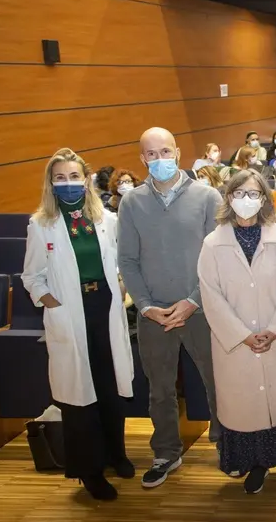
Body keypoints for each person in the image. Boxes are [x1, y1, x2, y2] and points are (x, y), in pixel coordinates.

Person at [22, 148, 135, 501]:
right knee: (79, 396)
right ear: (51, 184)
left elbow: (121, 261)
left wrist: (121, 283)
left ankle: (116, 454)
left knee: (109, 385)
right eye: (60, 178)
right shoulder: (41, 224)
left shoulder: (106, 219)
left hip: (104, 305)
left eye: (74, 177)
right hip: (69, 311)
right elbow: (31, 276)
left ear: (86, 180)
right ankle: (89, 471)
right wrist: (50, 302)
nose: (68, 184)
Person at [197, 170, 276, 494]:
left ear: (264, 199)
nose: (246, 201)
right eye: (240, 194)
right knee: (248, 408)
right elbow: (211, 296)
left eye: (254, 194)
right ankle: (257, 464)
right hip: (237, 345)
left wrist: (275, 330)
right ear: (228, 197)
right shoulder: (212, 244)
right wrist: (243, 335)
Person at [117, 127, 222, 489]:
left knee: (216, 382)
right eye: (150, 154)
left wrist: (193, 300)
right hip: (154, 315)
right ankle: (166, 452)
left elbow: (217, 258)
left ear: (177, 152)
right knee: (159, 388)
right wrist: (145, 305)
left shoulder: (207, 197)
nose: (158, 159)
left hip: (201, 308)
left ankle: (227, 445)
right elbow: (127, 261)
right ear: (141, 158)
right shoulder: (131, 203)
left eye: (165, 151)